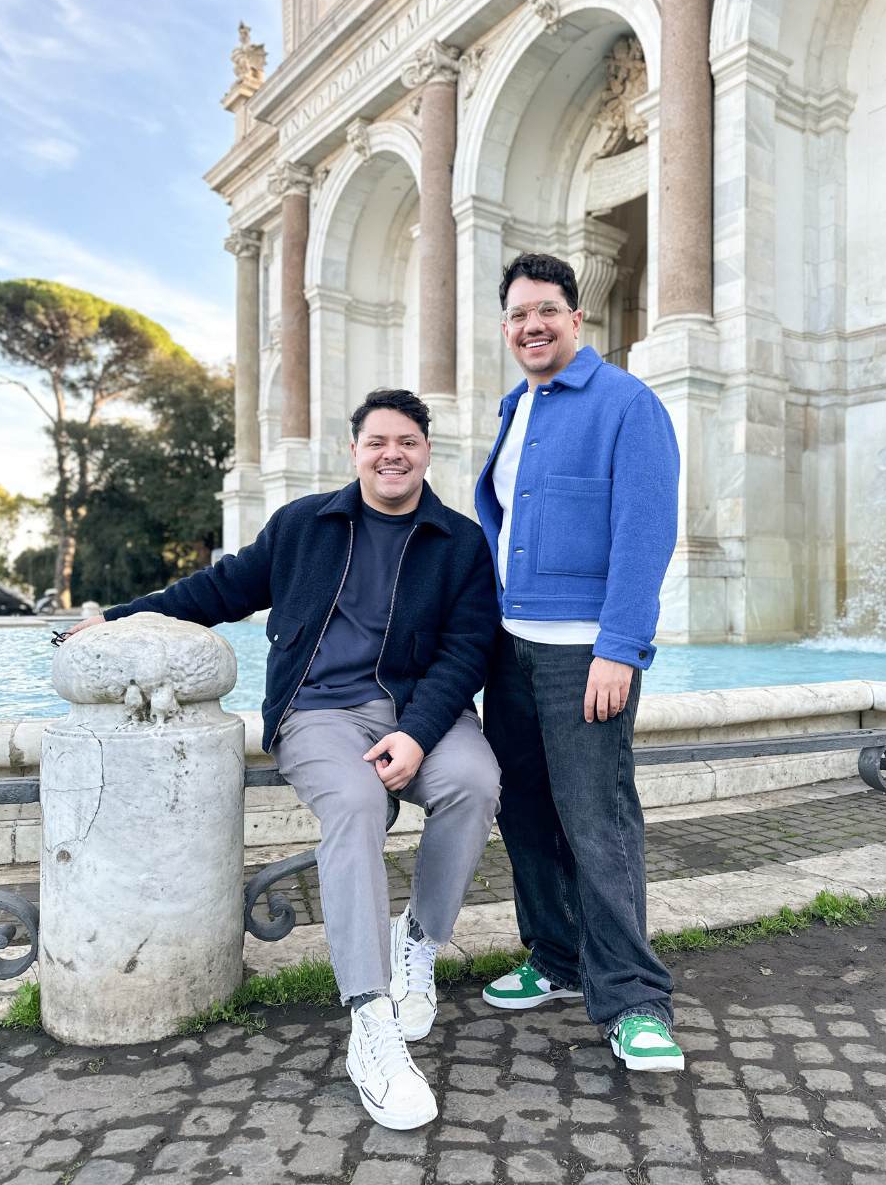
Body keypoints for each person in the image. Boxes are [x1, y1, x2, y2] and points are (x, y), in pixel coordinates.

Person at [69, 389, 502, 1129]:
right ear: (355, 450)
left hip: (418, 710)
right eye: (377, 442)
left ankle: (418, 944)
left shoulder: (461, 542)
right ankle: (370, 1020)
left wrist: (420, 735)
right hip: (320, 712)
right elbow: (218, 590)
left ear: (428, 452)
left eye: (406, 441)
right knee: (361, 804)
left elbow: (468, 652)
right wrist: (115, 619)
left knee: (475, 780)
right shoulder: (305, 524)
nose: (392, 454)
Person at [474, 252, 684, 1072]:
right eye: (519, 314)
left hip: (583, 658)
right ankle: (556, 959)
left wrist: (619, 648)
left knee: (599, 822)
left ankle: (635, 998)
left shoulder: (628, 403)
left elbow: (644, 535)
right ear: (507, 327)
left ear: (576, 319)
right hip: (510, 651)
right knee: (523, 812)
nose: (533, 325)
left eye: (548, 311)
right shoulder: (513, 407)